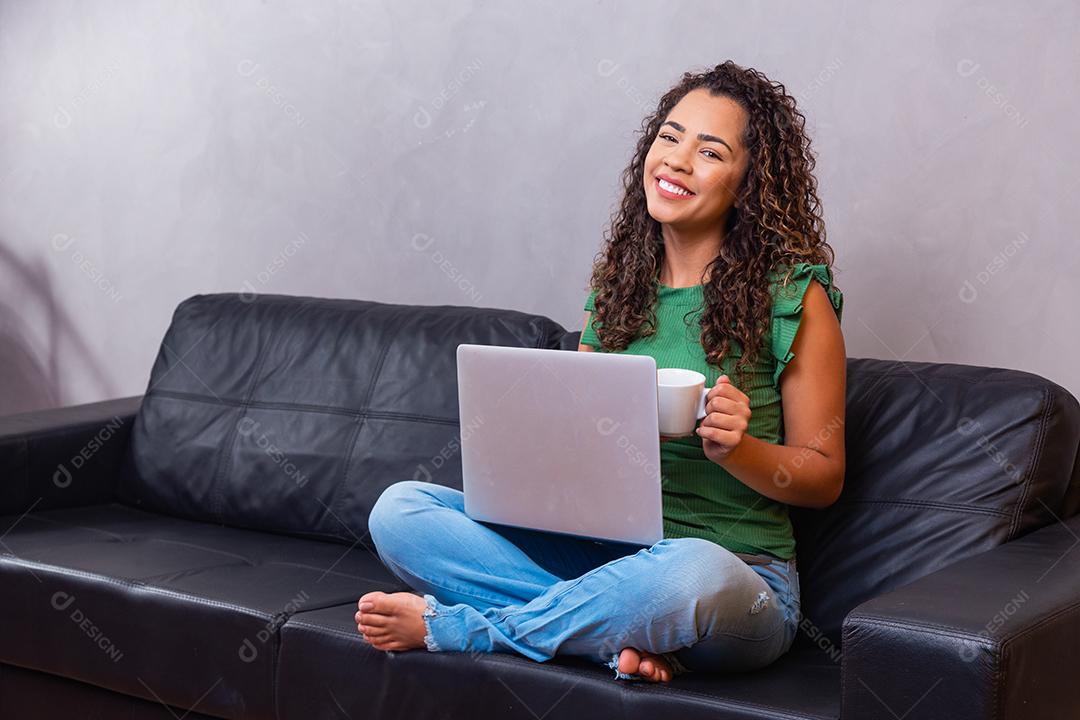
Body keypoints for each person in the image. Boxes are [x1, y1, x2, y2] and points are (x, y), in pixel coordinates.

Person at [354, 60, 846, 683]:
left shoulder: (795, 297)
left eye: (710, 150)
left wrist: (740, 450)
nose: (677, 160)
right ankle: (608, 638)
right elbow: (579, 451)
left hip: (734, 577)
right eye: (669, 137)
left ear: (750, 182)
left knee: (688, 573)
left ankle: (466, 628)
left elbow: (825, 477)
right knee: (400, 511)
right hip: (603, 560)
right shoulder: (617, 289)